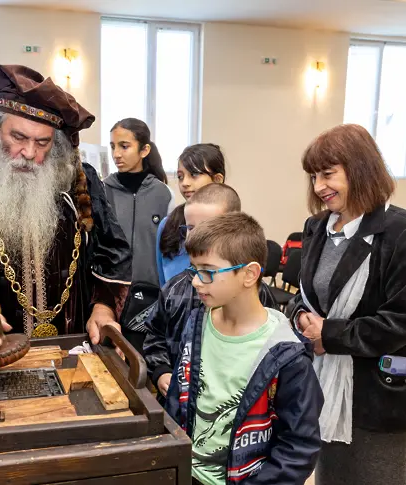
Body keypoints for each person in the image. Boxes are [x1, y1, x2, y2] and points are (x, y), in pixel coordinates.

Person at [0, 65, 132, 351]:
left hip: (73, 347)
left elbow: (113, 250)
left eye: (42, 142)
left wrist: (104, 306)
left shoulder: (80, 180)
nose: (29, 153)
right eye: (18, 137)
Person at [289, 124, 406, 485]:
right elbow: (302, 295)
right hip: (327, 382)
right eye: (313, 177)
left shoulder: (404, 232)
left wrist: (330, 335)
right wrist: (301, 318)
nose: (318, 187)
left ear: (360, 169)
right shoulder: (317, 227)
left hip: (379, 390)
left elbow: (405, 320)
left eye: (328, 174)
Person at [162, 212, 323, 485]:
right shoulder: (197, 323)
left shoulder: (286, 354)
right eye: (194, 269)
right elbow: (179, 397)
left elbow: (298, 447)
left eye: (208, 271)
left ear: (249, 274)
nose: (195, 281)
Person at [144, 183, 277, 399]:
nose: (195, 237)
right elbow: (155, 336)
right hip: (179, 403)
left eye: (208, 226)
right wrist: (161, 372)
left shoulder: (257, 294)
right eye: (190, 228)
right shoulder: (173, 290)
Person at [102, 118, 173, 352]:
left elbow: (170, 249)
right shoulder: (103, 191)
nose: (116, 154)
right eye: (112, 146)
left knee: (144, 365)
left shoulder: (164, 195)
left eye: (124, 146)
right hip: (110, 298)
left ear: (144, 150)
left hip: (151, 299)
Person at [157, 144, 226, 287]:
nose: (185, 183)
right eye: (181, 177)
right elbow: (163, 284)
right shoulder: (167, 225)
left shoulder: (235, 228)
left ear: (218, 179)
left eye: (194, 175)